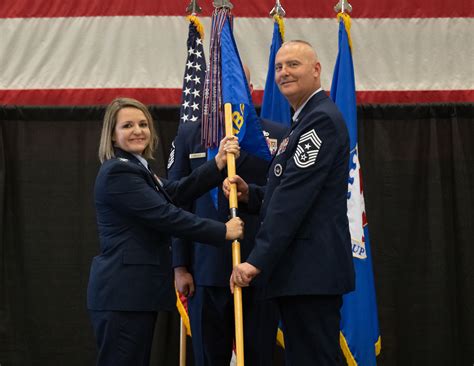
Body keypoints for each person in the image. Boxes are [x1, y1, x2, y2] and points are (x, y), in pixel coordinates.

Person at [225, 40, 355, 365]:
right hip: (299, 273)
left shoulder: (319, 121)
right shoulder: (300, 122)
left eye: (293, 65)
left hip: (310, 272)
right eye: (279, 67)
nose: (283, 73)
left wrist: (257, 261)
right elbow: (285, 191)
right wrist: (250, 195)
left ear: (316, 70)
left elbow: (294, 200)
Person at [86, 97, 244, 366]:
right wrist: (223, 231)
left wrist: (217, 164)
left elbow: (177, 192)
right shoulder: (118, 172)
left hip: (134, 295)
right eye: (127, 126)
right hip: (123, 294)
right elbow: (167, 216)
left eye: (143, 124)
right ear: (112, 136)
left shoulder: (138, 169)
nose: (138, 131)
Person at [168, 66, 287, 365]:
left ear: (247, 87)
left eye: (234, 83)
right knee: (209, 356)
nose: (226, 91)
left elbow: (281, 200)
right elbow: (176, 202)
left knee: (258, 354)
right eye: (218, 84)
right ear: (208, 89)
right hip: (205, 267)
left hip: (257, 265)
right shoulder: (190, 134)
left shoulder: (274, 135)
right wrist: (180, 265)